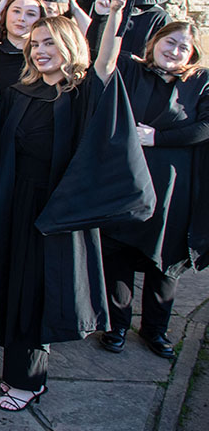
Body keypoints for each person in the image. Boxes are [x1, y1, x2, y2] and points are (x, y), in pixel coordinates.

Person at [0, 0, 155, 412]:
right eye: (36, 44)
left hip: (54, 210)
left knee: (38, 293)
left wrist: (114, 15)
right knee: (14, 287)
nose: (40, 51)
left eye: (49, 43)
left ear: (69, 46)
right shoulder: (21, 91)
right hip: (14, 202)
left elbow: (107, 64)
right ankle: (18, 375)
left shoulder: (80, 92)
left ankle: (30, 381)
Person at [97, 21, 209, 359]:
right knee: (119, 253)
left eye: (183, 47)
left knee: (165, 258)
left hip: (174, 185)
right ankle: (116, 325)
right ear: (155, 41)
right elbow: (102, 59)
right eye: (169, 41)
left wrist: (156, 138)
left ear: (192, 53)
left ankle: (155, 330)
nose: (174, 50)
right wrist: (113, 12)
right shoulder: (132, 69)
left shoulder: (200, 82)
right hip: (127, 180)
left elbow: (206, 126)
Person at [0, 0, 48, 90]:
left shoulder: (42, 55)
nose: (21, 18)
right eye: (16, 11)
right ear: (5, 13)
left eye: (30, 14)